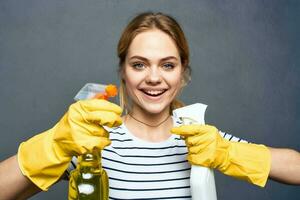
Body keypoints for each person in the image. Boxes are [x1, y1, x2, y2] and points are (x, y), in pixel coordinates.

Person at [0, 12, 300, 200]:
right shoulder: (89, 140)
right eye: (139, 64)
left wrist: (228, 152)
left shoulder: (201, 140)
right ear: (123, 73)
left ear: (183, 73)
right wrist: (55, 145)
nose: (154, 78)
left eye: (167, 65)